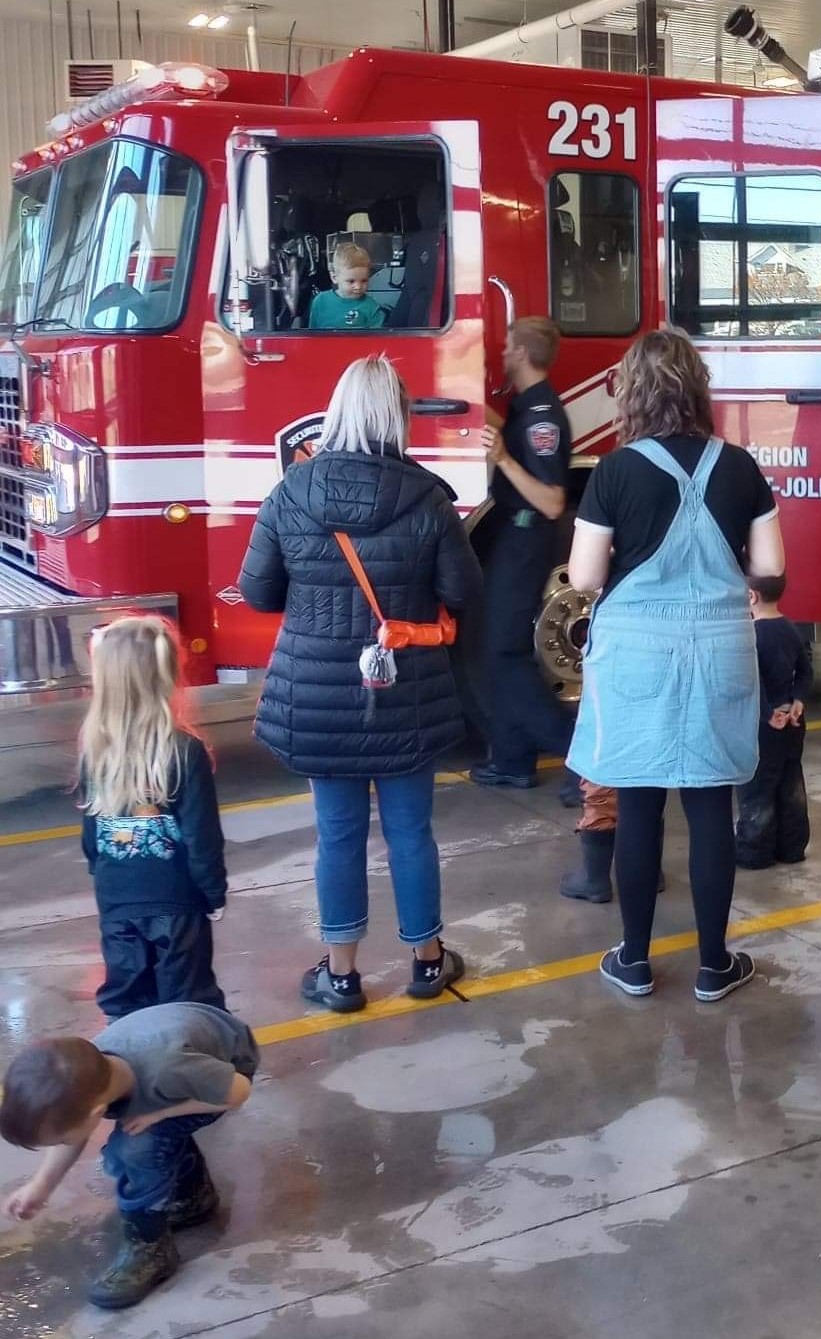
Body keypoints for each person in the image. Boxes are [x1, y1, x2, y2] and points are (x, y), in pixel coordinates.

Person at [239, 355, 482, 1014]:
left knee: (337, 834)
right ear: (397, 416)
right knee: (412, 831)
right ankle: (428, 962)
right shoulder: (429, 498)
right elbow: (464, 592)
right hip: (406, 691)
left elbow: (258, 591)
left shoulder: (291, 492)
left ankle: (342, 975)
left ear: (337, 410)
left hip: (318, 696)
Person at [567, 328, 784, 1002]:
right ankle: (714, 965)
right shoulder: (742, 467)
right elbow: (772, 572)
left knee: (637, 804)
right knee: (711, 806)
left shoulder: (614, 470)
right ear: (698, 387)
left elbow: (583, 576)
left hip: (635, 654)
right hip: (721, 645)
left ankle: (633, 959)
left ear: (631, 391)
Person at [1, 1002, 259, 1310]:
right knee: (146, 1137)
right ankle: (193, 1197)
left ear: (97, 1112)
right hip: (190, 1055)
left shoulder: (167, 1070)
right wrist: (40, 1186)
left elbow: (240, 1092)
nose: (63, 1142)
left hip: (230, 1067)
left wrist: (163, 1111)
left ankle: (152, 1249)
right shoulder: (88, 1077)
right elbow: (74, 1133)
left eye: (60, 1138)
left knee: (135, 1150)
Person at [79, 616, 227, 1019]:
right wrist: (214, 892)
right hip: (176, 903)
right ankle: (187, 1071)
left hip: (116, 901)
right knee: (188, 1000)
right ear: (166, 676)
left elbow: (92, 837)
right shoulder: (184, 749)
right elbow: (202, 837)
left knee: (125, 1000)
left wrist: (105, 878)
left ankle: (129, 1068)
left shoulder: (95, 749)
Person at [471, 317, 580, 804]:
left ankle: (578, 756)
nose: (501, 353)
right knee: (499, 652)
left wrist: (505, 460)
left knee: (503, 653)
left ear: (523, 355)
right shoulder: (525, 408)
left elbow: (554, 501)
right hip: (514, 539)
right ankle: (512, 761)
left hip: (526, 537)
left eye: (508, 346)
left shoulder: (543, 419)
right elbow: (507, 431)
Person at [735, 573, 813, 870]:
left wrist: (769, 715)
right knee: (791, 783)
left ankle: (754, 852)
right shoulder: (791, 629)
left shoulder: (750, 635)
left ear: (751, 596)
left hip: (764, 725)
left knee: (758, 789)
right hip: (793, 721)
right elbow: (805, 672)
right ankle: (792, 847)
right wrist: (798, 701)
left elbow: (752, 683)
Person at [306, 241, 385, 331]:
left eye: (364, 280)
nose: (358, 287)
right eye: (351, 281)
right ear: (334, 277)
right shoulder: (320, 302)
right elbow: (311, 336)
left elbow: (376, 341)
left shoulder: (372, 307)